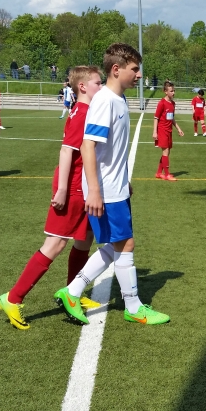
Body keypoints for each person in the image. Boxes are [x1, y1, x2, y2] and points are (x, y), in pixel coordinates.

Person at [54, 42, 170, 326]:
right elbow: (88, 145)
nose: (139, 75)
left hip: (115, 186)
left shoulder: (119, 99)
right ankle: (133, 306)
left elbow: (115, 149)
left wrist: (124, 179)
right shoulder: (105, 100)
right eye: (135, 69)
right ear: (116, 69)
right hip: (105, 189)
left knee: (118, 243)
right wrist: (94, 190)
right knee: (125, 243)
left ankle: (73, 291)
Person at [0, 66, 104, 330]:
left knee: (84, 241)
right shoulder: (83, 113)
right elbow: (66, 151)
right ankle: (13, 298)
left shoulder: (85, 110)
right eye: (97, 83)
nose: (101, 87)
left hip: (83, 186)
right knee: (55, 244)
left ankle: (72, 293)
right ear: (82, 87)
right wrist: (63, 189)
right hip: (73, 187)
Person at [153, 80, 185, 180]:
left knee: (167, 152)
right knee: (166, 152)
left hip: (169, 130)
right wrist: (155, 132)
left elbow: (172, 118)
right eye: (171, 91)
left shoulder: (173, 103)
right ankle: (167, 174)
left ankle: (159, 173)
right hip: (162, 130)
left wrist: (178, 129)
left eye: (174, 90)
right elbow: (156, 118)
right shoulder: (161, 103)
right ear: (165, 91)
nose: (173, 93)